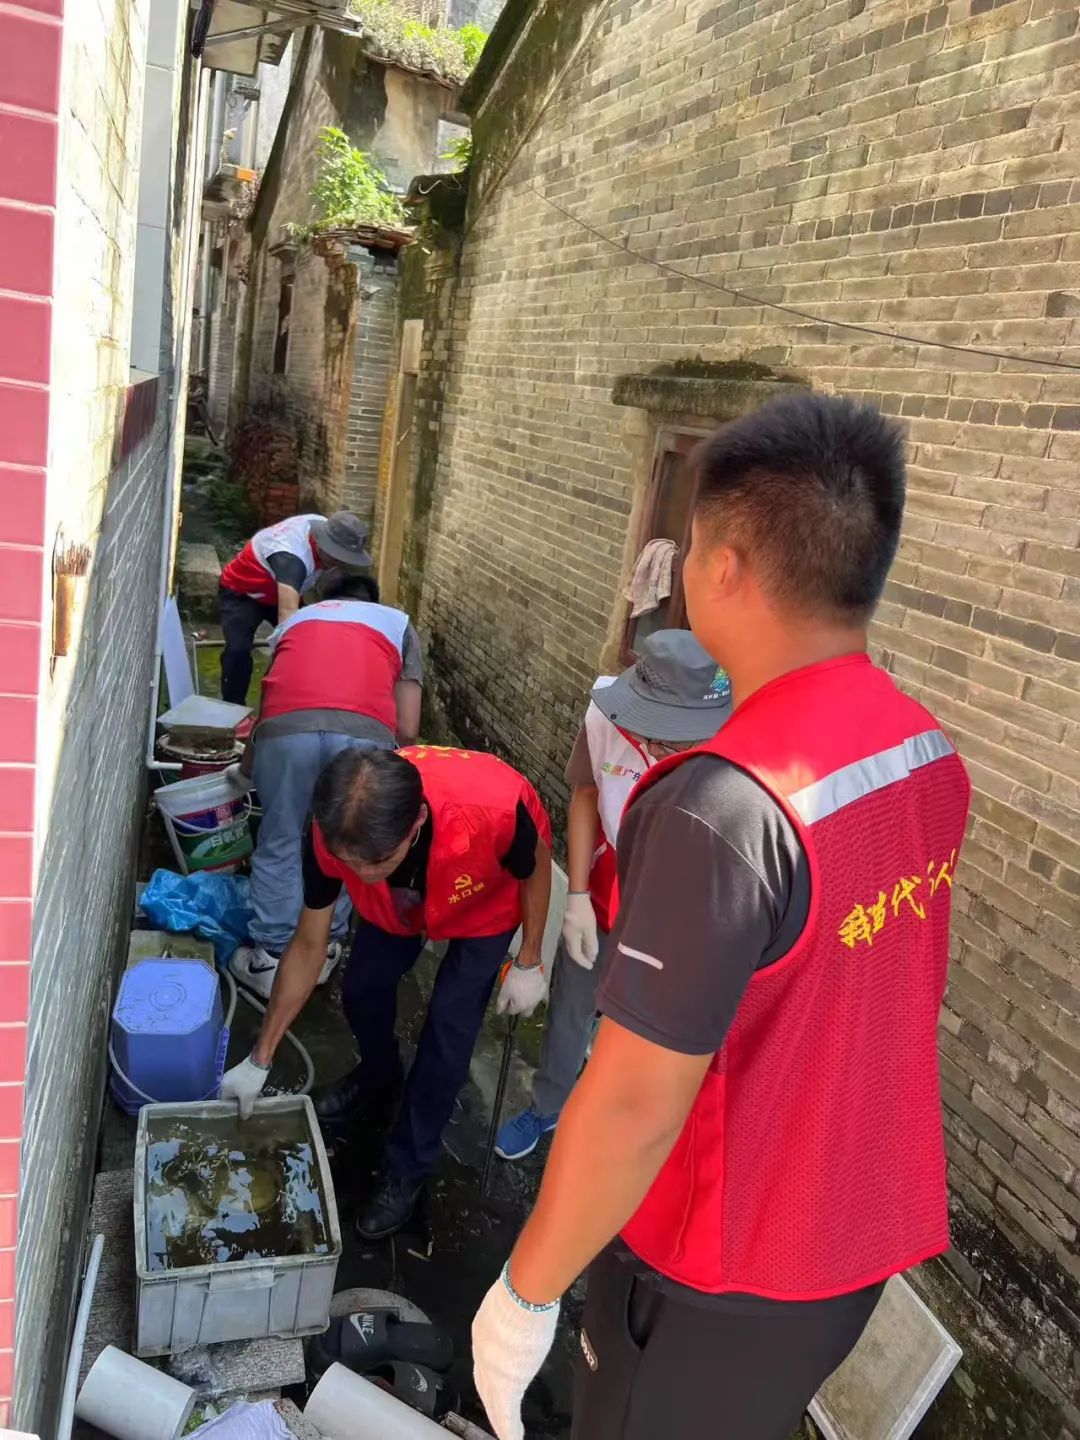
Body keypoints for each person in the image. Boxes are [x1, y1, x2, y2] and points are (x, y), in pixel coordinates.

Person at [471, 392, 971, 1440]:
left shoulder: (725, 807)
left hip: (717, 1263)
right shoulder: (924, 751)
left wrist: (525, 1293)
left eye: (693, 547)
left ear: (728, 568)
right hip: (855, 1234)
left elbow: (633, 1106)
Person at [222, 744, 553, 1240]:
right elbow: (310, 943)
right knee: (362, 988)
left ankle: (408, 1166)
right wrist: (259, 1058)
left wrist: (529, 957)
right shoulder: (334, 832)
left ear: (417, 820)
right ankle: (378, 1076)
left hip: (484, 894)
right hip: (390, 907)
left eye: (375, 860)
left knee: (448, 1032)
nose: (360, 873)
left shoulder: (497, 811)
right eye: (348, 863)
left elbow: (537, 866)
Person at [495, 630, 731, 1161]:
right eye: (651, 732)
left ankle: (627, 1129)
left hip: (683, 912)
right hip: (605, 893)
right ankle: (549, 1104)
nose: (656, 749)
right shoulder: (605, 713)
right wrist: (577, 896)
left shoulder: (737, 743)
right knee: (571, 1007)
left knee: (648, 1031)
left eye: (675, 741)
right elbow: (586, 793)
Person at [228, 572, 424, 999]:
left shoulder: (294, 624)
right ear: (373, 601)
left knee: (280, 836)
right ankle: (327, 946)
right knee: (348, 837)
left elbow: (269, 703)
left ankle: (270, 957)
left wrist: (246, 769)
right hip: (364, 733)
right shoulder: (397, 624)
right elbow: (408, 727)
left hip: (286, 732)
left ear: (322, 599)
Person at [217, 510, 371, 704]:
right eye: (336, 557)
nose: (339, 562)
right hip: (244, 592)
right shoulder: (291, 558)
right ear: (323, 544)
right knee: (238, 650)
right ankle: (234, 706)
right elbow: (287, 620)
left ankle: (313, 698)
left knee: (315, 642)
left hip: (286, 589)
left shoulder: (329, 528)